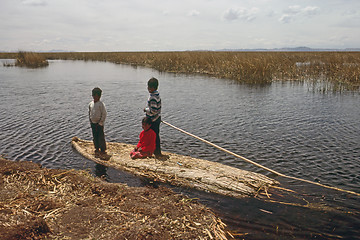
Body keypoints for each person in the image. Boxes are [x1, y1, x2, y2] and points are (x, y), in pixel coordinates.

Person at [144, 77, 162, 158]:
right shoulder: (157, 95)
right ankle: (155, 151)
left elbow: (153, 110)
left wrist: (146, 110)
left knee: (153, 136)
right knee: (155, 136)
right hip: (157, 118)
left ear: (152, 88)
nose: (147, 88)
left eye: (149, 87)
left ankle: (156, 152)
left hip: (153, 120)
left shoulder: (153, 98)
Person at [88, 87, 108, 160]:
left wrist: (100, 122)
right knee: (95, 136)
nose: (95, 97)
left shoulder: (101, 104)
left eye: (96, 96)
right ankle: (97, 148)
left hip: (99, 124)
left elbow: (104, 114)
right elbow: (90, 113)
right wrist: (90, 121)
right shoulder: (91, 104)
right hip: (93, 123)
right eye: (93, 96)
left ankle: (103, 149)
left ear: (99, 96)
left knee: (100, 137)